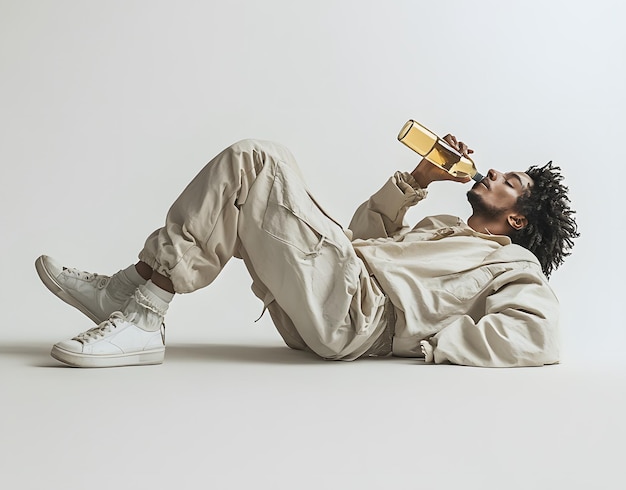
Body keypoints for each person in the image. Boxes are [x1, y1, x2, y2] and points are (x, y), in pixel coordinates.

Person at [36, 135, 578, 369]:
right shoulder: (444, 226)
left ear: (518, 218)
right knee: (248, 188)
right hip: (337, 297)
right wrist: (416, 180)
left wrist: (428, 342)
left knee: (258, 159)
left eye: (511, 181)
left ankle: (145, 315)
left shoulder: (513, 264)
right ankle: (129, 292)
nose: (494, 172)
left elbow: (539, 336)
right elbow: (361, 239)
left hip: (359, 317)